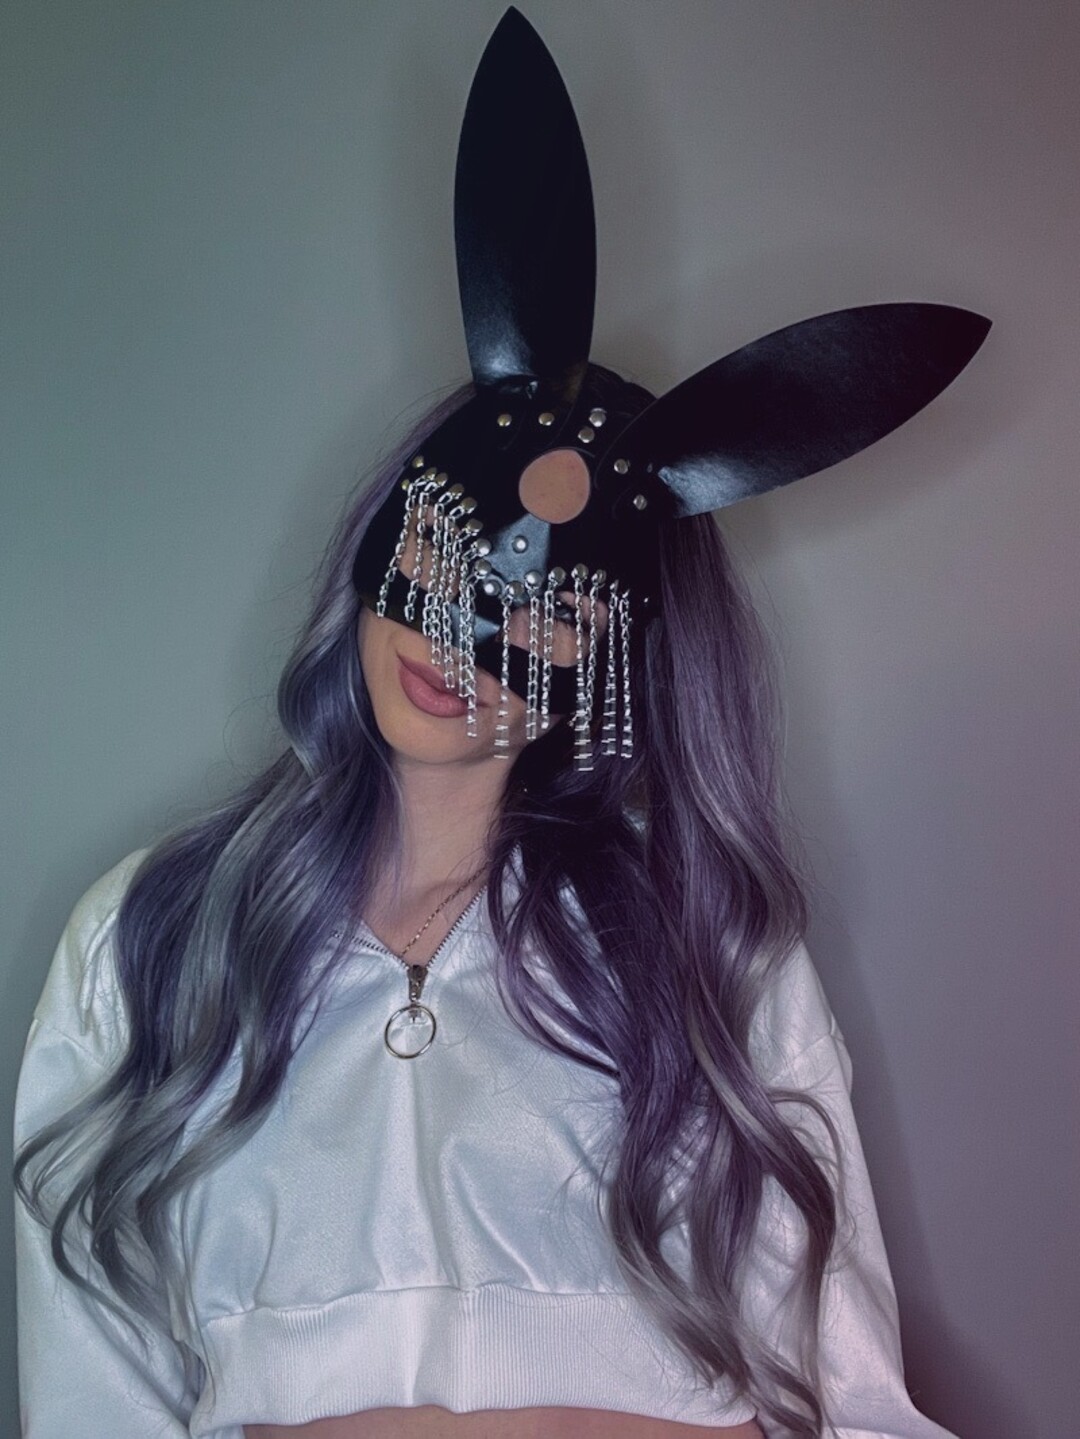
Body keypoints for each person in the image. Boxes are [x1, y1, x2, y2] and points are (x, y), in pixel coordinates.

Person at [13, 10, 989, 1438]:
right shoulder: (154, 942)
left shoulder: (706, 944)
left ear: (616, 661)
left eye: (549, 618)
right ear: (385, 533)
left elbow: (850, 1393)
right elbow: (88, 1391)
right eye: (446, 552)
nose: (463, 639)